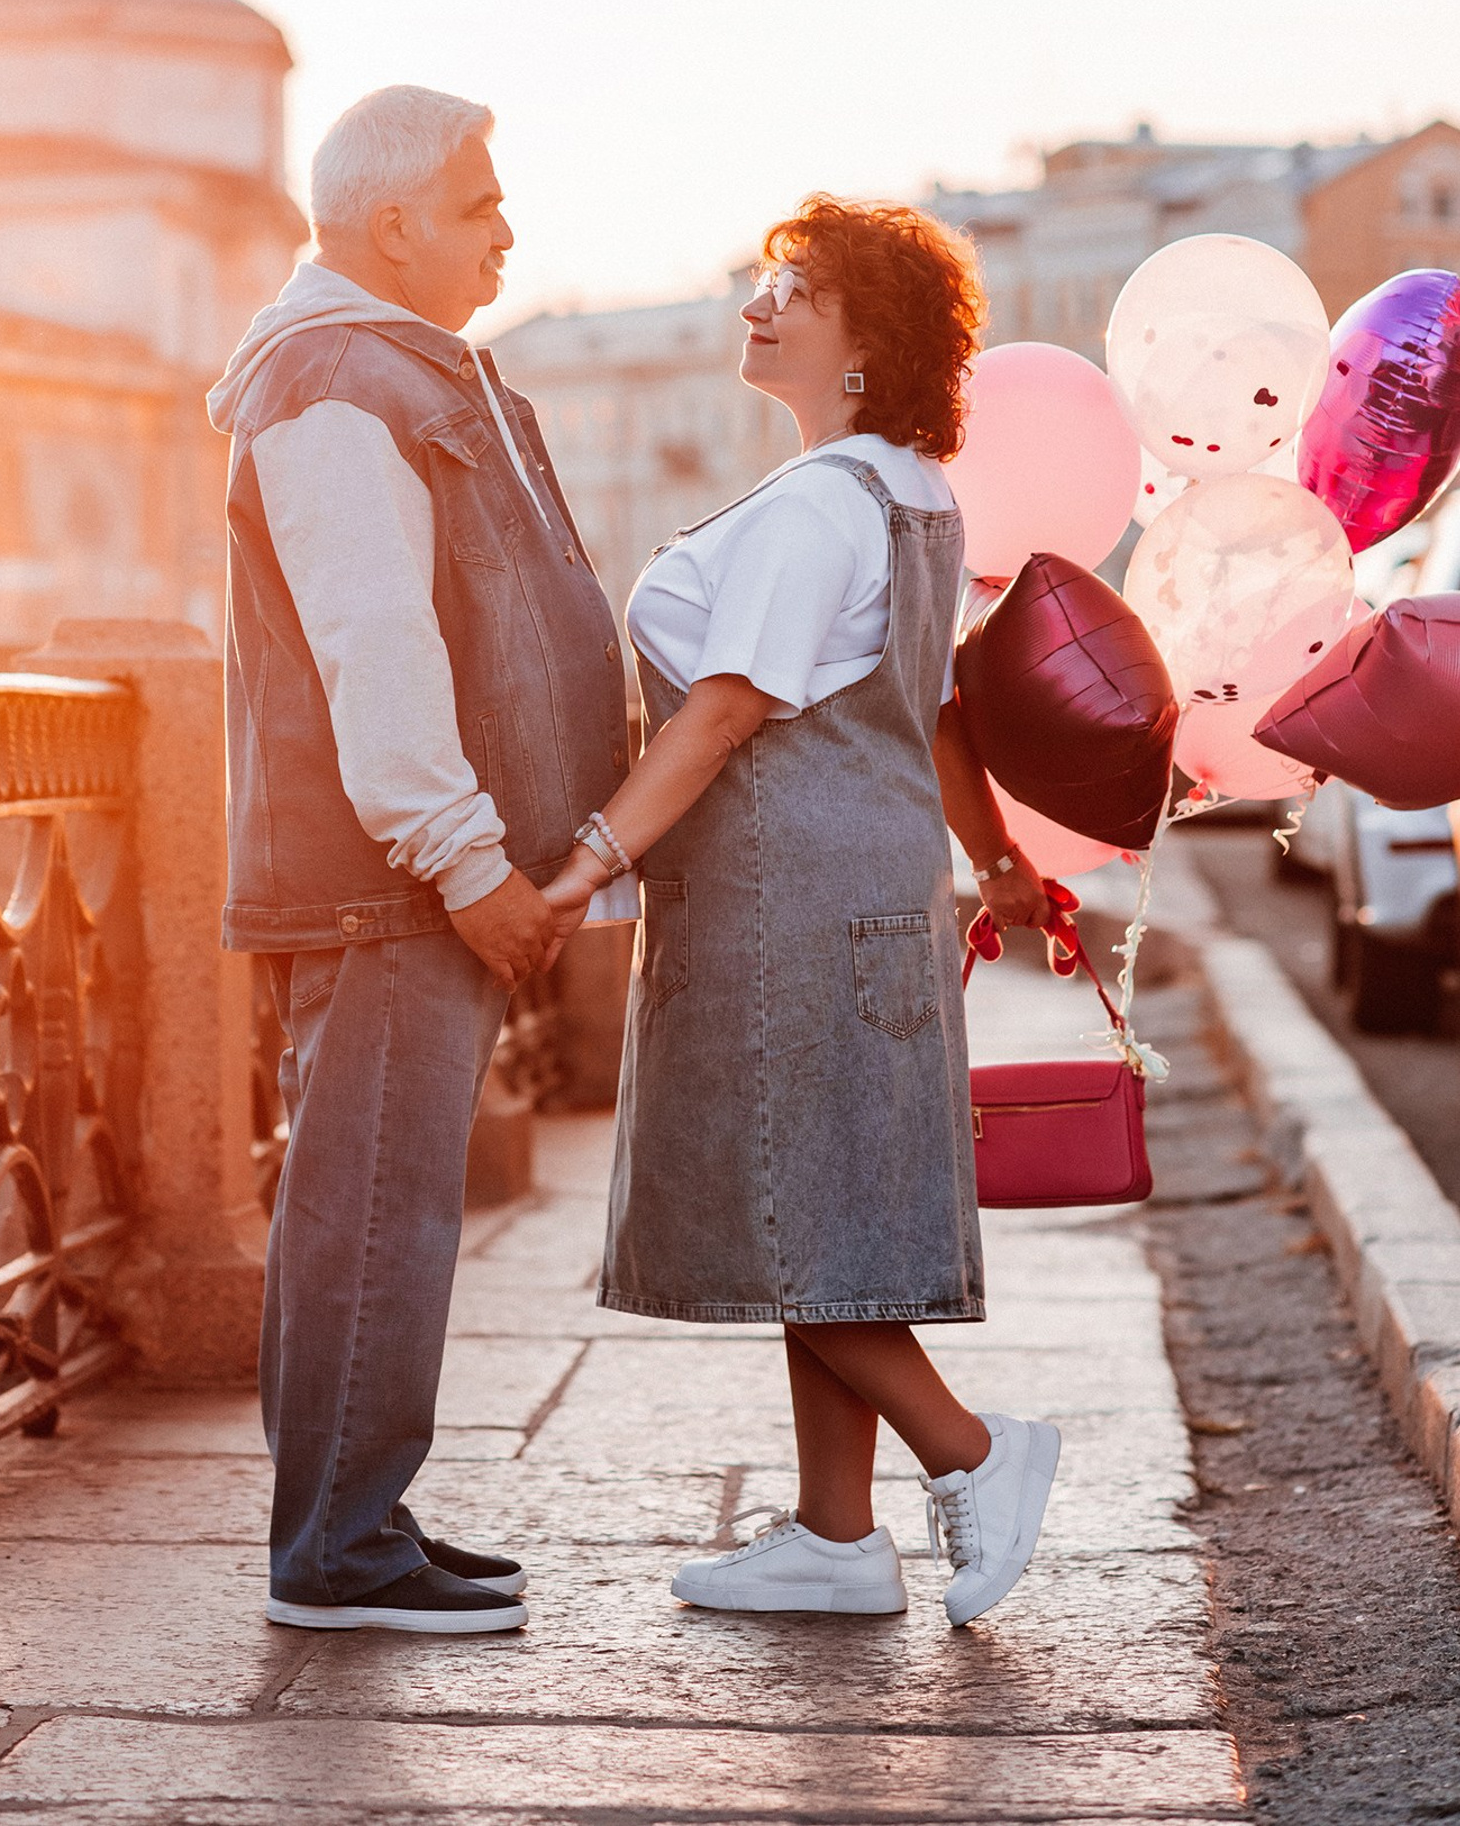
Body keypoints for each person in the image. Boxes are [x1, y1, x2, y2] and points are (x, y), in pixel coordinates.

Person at [538, 194, 1067, 1627]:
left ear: (863, 347)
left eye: (800, 289)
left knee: (791, 1212)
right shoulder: (914, 496)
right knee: (821, 1209)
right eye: (766, 282)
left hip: (787, 900)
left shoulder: (820, 508)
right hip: (877, 886)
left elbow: (722, 715)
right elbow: (938, 710)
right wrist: (1001, 861)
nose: (760, 306)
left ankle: (974, 1454)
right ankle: (837, 1538)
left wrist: (588, 859)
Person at [207, 86, 629, 1636]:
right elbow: (373, 642)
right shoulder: (332, 384)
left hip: (411, 879)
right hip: (392, 884)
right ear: (395, 226)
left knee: (380, 1205)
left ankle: (355, 1517)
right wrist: (466, 863)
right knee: (375, 1211)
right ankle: (334, 1550)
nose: (505, 227)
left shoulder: (388, 369)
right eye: (480, 203)